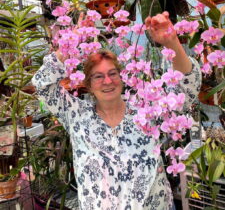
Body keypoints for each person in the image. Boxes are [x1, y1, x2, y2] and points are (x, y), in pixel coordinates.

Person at [32, 12, 201, 210]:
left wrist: (173, 44)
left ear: (122, 78)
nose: (107, 81)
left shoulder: (146, 109)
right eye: (98, 76)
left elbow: (185, 88)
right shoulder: (76, 114)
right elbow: (42, 85)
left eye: (113, 73)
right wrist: (70, 42)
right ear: (88, 83)